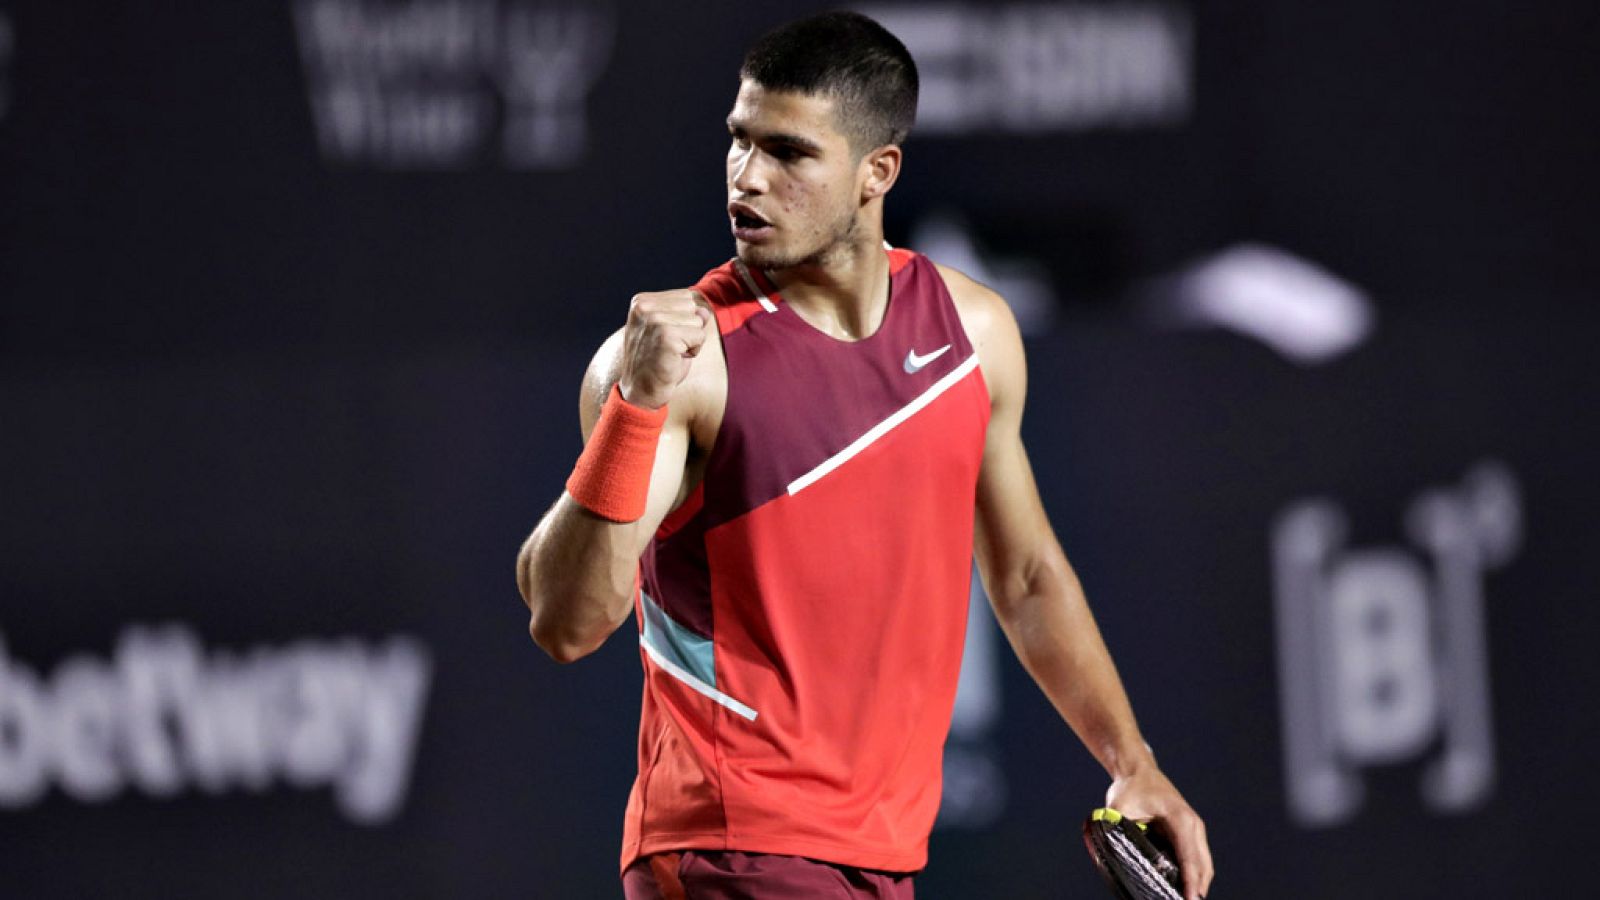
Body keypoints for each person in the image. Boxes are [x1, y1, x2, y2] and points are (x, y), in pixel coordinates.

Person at [516, 11, 1214, 900]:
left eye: (789, 153)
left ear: (875, 172)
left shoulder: (973, 334)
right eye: (739, 141)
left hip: (883, 858)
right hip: (733, 848)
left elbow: (1029, 575)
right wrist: (635, 407)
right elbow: (566, 621)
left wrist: (1132, 763)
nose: (747, 178)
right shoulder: (687, 363)